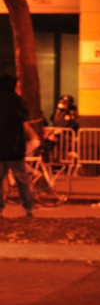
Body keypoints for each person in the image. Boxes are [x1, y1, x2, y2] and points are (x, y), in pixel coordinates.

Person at [0, 74, 35, 218]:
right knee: (22, 180)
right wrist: (33, 136)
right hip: (14, 149)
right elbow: (24, 122)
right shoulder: (16, 101)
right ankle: (28, 207)